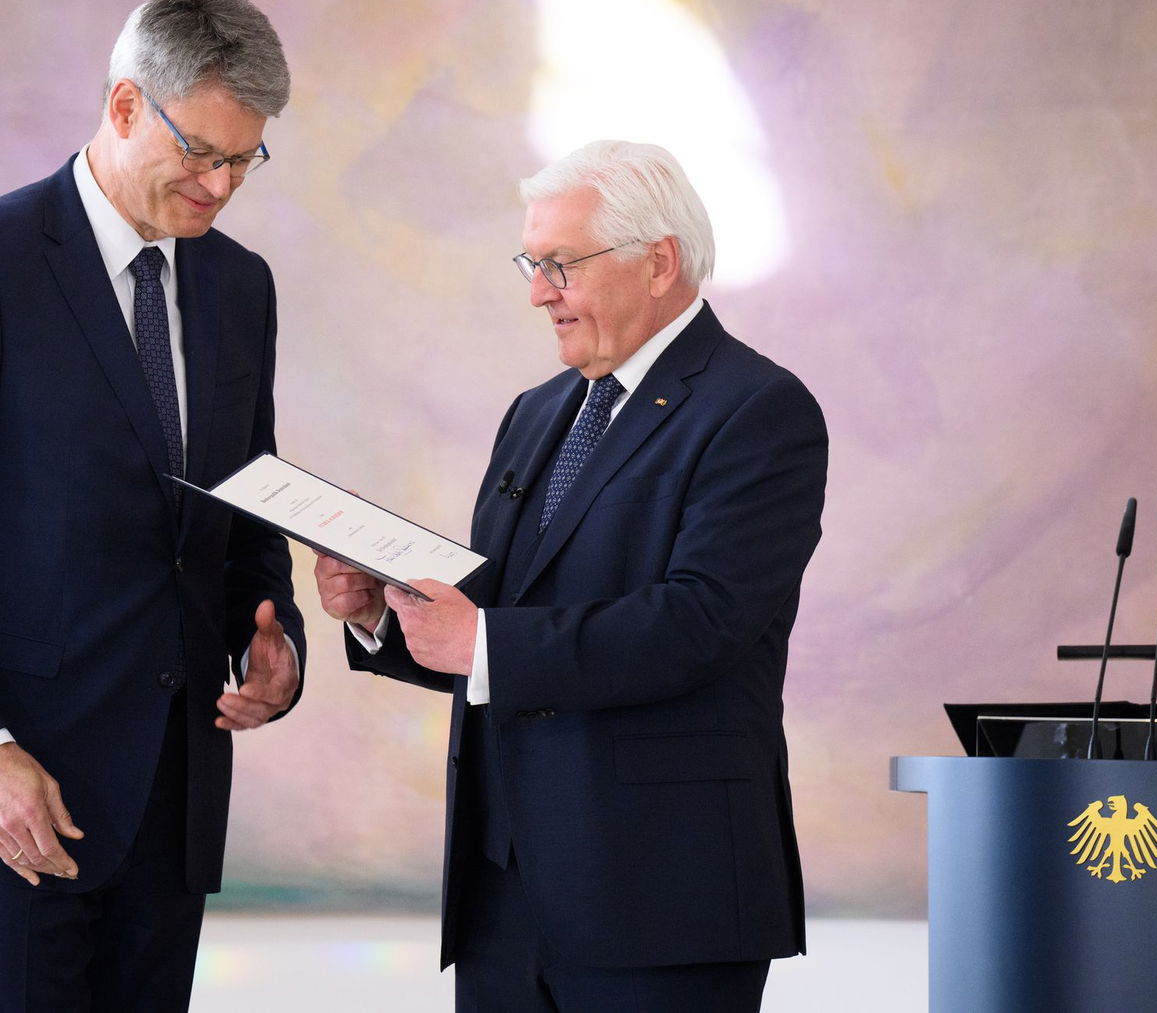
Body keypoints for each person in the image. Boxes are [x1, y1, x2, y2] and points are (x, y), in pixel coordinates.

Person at [0, 0, 306, 1011]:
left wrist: (275, 638)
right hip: (7, 795)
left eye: (245, 159)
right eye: (203, 153)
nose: (222, 187)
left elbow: (238, 500)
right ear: (126, 106)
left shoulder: (241, 286)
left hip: (169, 805)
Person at [313, 140, 829, 1011]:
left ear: (658, 262)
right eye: (531, 262)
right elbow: (498, 618)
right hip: (504, 898)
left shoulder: (759, 409)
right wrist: (385, 611)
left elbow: (701, 620)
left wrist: (483, 638)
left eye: (559, 264)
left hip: (662, 895)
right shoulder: (538, 410)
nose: (536, 291)